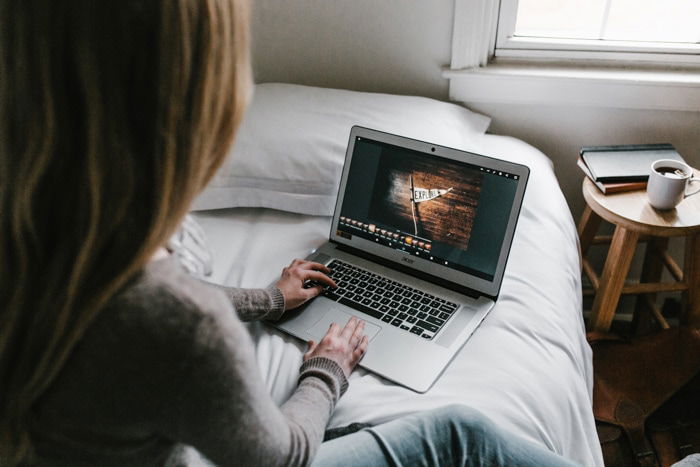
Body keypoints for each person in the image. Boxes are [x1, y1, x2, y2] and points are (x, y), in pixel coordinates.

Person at [0, 1, 576, 466]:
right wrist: (328, 368)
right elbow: (284, 456)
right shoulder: (183, 327)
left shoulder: (41, 240)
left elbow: (122, 303)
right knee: (462, 436)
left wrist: (270, 299)